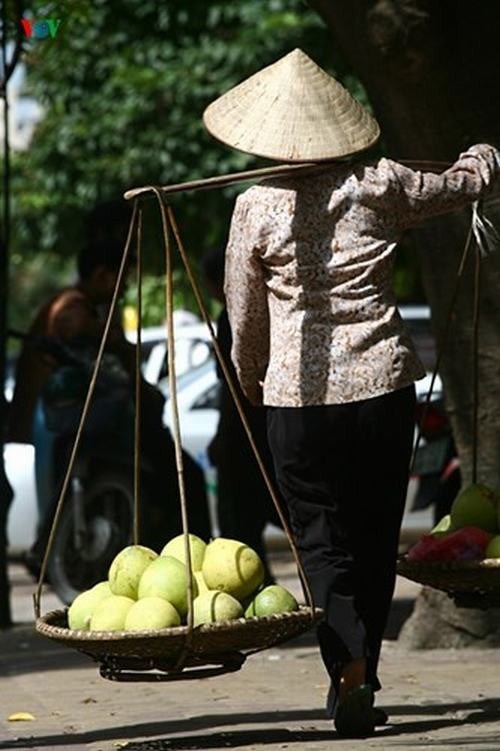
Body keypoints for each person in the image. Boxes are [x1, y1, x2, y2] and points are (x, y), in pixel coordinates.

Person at [202, 48, 500, 737]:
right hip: (381, 393)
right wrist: (484, 156)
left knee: (319, 543)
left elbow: (244, 316)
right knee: (370, 538)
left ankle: (352, 670)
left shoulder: (254, 206)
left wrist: (252, 384)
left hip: (298, 406)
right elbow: (456, 184)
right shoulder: (381, 183)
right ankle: (360, 674)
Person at [8, 236, 210, 559]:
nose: (125, 287)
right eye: (122, 279)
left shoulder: (86, 309)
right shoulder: (72, 309)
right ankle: (49, 539)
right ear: (102, 275)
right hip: (61, 418)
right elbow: (111, 349)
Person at [203, 248, 284, 580]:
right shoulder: (274, 308)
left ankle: (254, 586)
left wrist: (224, 435)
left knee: (241, 521)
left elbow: (232, 388)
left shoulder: (234, 317)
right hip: (272, 426)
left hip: (247, 432)